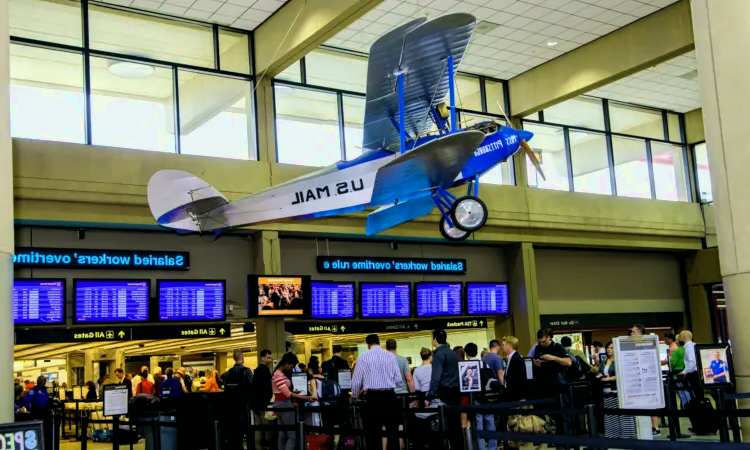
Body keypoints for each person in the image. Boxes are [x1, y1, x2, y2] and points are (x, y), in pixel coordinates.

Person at [351, 334, 403, 450]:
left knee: (373, 434)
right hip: (390, 396)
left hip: (372, 397)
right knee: (392, 433)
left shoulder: (363, 357)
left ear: (368, 344)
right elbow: (399, 379)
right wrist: (388, 382)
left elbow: (356, 381)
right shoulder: (390, 356)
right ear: (379, 342)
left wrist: (355, 395)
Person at [274, 353, 316, 450]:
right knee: (293, 435)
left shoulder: (278, 374)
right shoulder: (278, 375)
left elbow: (285, 392)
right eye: (291, 366)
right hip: (284, 405)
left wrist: (293, 392)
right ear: (286, 363)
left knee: (283, 435)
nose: (292, 369)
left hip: (280, 405)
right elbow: (288, 394)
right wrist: (307, 398)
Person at [427, 329, 461, 450]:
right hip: (455, 391)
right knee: (455, 424)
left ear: (434, 339)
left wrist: (430, 394)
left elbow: (436, 376)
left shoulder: (439, 354)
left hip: (445, 392)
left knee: (445, 424)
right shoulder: (453, 353)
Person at [533, 328, 571, 436]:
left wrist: (552, 358)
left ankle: (567, 437)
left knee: (562, 410)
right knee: (551, 411)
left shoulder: (557, 347)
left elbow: (568, 362)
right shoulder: (538, 348)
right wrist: (537, 364)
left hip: (557, 380)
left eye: (544, 341)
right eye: (540, 341)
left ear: (549, 337)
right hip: (544, 381)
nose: (542, 344)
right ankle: (557, 436)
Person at [598, 341, 637, 439]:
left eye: (611, 348)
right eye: (608, 348)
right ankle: (613, 436)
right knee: (611, 415)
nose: (609, 350)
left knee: (624, 415)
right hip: (606, 391)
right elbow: (599, 371)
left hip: (619, 391)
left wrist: (609, 378)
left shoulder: (621, 360)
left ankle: (627, 436)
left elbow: (624, 373)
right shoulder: (605, 360)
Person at [466, 342, 496, 450]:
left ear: (466, 353)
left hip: (476, 398)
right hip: (487, 397)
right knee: (490, 423)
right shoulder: (484, 364)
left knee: (479, 425)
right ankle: (493, 447)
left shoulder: (466, 366)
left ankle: (481, 448)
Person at [222, 349, 254, 450]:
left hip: (231, 407)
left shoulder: (227, 373)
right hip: (244, 406)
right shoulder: (247, 371)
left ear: (233, 358)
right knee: (247, 430)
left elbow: (225, 389)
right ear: (243, 358)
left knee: (234, 431)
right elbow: (252, 386)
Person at [252, 350, 274, 450]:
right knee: (268, 428)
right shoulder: (265, 370)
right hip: (264, 405)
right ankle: (269, 447)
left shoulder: (256, 370)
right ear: (262, 358)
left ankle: (258, 448)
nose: (270, 360)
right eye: (268, 358)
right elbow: (268, 388)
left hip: (256, 404)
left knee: (258, 429)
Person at [503, 336, 527, 400]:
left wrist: (522, 396)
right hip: (510, 393)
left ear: (509, 346)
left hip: (516, 395)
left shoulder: (517, 359)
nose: (502, 347)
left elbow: (521, 378)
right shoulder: (510, 358)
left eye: (504, 345)